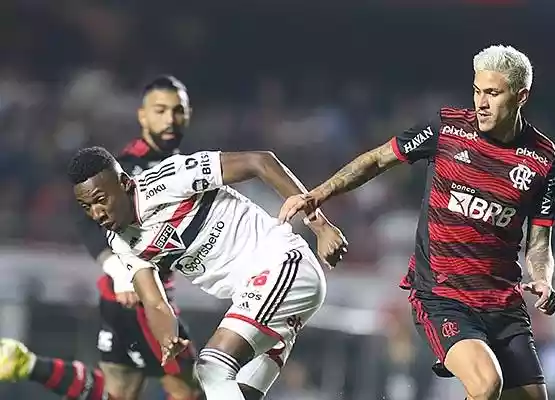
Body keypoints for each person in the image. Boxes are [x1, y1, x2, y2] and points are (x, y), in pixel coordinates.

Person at [278, 44, 555, 400]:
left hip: (502, 303)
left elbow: (539, 243)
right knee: (487, 383)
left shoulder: (543, 159)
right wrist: (320, 194)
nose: (481, 102)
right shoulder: (448, 131)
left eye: (492, 93)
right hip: (443, 295)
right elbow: (377, 160)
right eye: (477, 91)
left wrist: (543, 279)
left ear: (521, 96)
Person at [66, 146, 347, 400]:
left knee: (212, 366)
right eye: (86, 207)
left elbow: (260, 162)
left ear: (124, 183)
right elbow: (153, 300)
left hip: (283, 264)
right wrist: (167, 337)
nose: (96, 213)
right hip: (260, 296)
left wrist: (320, 227)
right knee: (233, 392)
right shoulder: (120, 241)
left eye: (100, 200)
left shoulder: (169, 178)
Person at [0, 76, 201, 400]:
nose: (170, 119)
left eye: (179, 110)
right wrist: (121, 273)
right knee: (189, 390)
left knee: (119, 393)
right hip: (141, 299)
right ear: (142, 116)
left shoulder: (179, 164)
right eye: (160, 110)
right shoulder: (128, 168)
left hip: (132, 298)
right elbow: (86, 222)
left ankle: (30, 365)